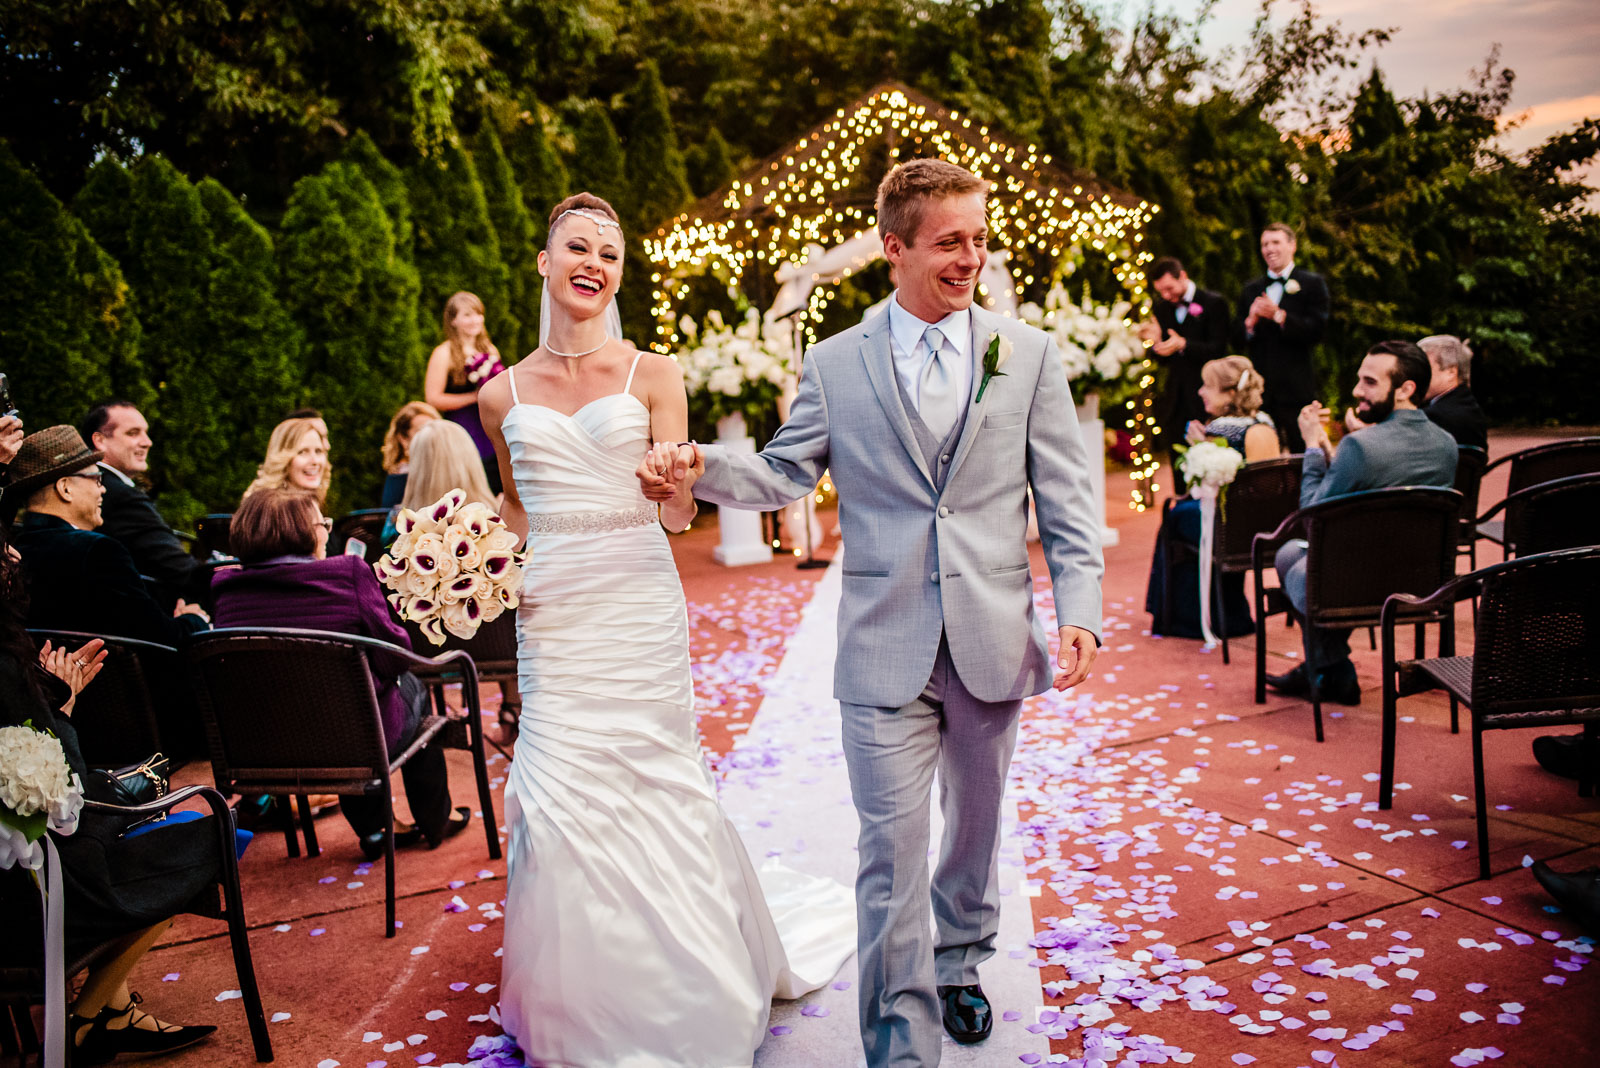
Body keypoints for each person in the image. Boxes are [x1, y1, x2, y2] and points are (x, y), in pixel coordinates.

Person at [645, 159, 1104, 1067]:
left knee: (975, 828)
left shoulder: (1028, 353)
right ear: (894, 249)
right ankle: (899, 1047)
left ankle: (963, 962)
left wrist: (1079, 608)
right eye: (949, 242)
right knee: (889, 857)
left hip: (992, 637)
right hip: (882, 645)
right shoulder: (836, 362)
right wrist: (702, 465)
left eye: (978, 239)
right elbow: (783, 471)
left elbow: (1066, 496)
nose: (969, 257)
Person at [476, 192, 854, 1067]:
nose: (594, 263)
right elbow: (515, 507)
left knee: (655, 782)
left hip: (637, 602)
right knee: (558, 794)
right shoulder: (500, 397)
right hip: (553, 611)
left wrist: (673, 485)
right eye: (578, 246)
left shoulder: (658, 374)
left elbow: (681, 512)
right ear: (544, 261)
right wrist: (469, 563)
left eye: (609, 253)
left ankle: (691, 990)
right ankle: (578, 1006)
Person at [0, 523, 221, 1063]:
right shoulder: (4, 667)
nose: (13, 551)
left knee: (133, 815)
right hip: (28, 901)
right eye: (0, 543)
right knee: (210, 836)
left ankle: (115, 1011)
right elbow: (58, 799)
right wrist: (63, 710)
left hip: (22, 878)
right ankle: (84, 1022)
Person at [210, 487, 468, 860]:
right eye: (322, 524)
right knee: (407, 689)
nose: (326, 532)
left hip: (265, 746)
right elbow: (394, 655)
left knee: (341, 704)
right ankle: (434, 820)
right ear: (303, 531)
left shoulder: (225, 587)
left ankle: (374, 829)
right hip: (357, 740)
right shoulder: (345, 572)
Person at [1265, 341, 1457, 705]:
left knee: (1289, 552)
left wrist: (1310, 447)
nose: (1356, 391)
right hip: (1421, 586)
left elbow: (1311, 518)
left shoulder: (1362, 447)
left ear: (1406, 389)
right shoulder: (1446, 444)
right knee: (1300, 555)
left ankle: (1330, 668)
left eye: (1369, 382)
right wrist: (1336, 449)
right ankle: (1327, 669)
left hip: (1355, 587)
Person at [8, 426, 210, 645]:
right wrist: (194, 619)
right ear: (65, 488)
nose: (103, 490)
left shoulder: (13, 551)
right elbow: (161, 638)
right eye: (96, 479)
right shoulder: (97, 552)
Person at [1145, 357, 1280, 637]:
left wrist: (1198, 446)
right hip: (1264, 528)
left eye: (1208, 386)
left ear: (1230, 394)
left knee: (1175, 515)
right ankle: (1231, 609)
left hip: (1229, 528)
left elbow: (1202, 484)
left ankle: (1181, 615)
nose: (1200, 392)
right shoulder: (1266, 424)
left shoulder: (1222, 431)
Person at [80, 400, 206, 611]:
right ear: (99, 440)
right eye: (133, 433)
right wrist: (229, 575)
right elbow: (179, 568)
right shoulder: (120, 496)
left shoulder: (91, 484)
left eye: (145, 433)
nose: (147, 442)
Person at [1233, 223, 1331, 451]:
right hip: (1260, 390)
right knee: (1264, 451)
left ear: (1292, 245)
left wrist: (1279, 315)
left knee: (1303, 450)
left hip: (1297, 385)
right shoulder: (1251, 289)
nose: (1269, 249)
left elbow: (1317, 330)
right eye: (1264, 244)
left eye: (1275, 242)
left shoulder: (1312, 284)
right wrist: (1250, 323)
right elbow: (1236, 339)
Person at [1138, 257, 1231, 464]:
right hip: (1176, 397)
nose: (1166, 295)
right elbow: (1162, 360)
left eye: (1169, 288)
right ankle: (1181, 496)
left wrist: (1184, 344)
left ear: (1183, 276)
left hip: (1208, 393)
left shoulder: (1213, 303)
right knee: (1177, 456)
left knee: (1210, 456)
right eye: (1161, 291)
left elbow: (1219, 349)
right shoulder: (1161, 308)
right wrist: (1155, 344)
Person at [425, 292, 509, 495]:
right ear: (453, 320)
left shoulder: (489, 349)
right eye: (468, 315)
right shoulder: (443, 353)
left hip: (487, 427)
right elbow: (433, 398)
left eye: (478, 314)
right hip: (461, 429)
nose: (476, 320)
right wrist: (473, 396)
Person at [1418, 334, 1487, 450]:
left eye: (1424, 368)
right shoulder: (1468, 406)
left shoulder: (1434, 417)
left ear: (1451, 372)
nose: (1416, 375)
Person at [243, 417, 330, 505]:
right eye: (302, 452)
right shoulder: (271, 507)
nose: (315, 461)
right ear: (281, 458)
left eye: (318, 451)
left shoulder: (307, 502)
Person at [379, 401, 441, 508]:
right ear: (403, 439)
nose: (431, 436)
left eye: (434, 429)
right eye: (422, 431)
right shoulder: (401, 477)